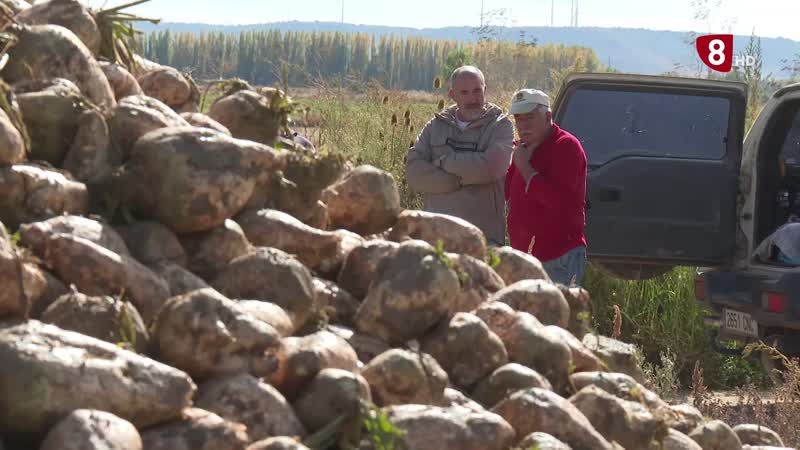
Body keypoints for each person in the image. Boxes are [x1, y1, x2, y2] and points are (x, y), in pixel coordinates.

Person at [405, 65, 514, 246]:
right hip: (436, 240)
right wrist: (452, 181)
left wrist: (443, 162)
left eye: (477, 90)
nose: (472, 98)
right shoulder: (435, 127)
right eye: (464, 92)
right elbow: (414, 172)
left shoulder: (500, 126)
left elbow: (491, 168)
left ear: (485, 90)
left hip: (483, 241)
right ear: (452, 95)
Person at [504, 88, 588, 285]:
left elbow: (558, 202)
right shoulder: (522, 149)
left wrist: (525, 167)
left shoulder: (566, 147)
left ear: (548, 116)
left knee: (553, 316)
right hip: (524, 258)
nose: (523, 125)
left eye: (530, 118)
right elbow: (508, 191)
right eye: (519, 119)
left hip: (558, 259)